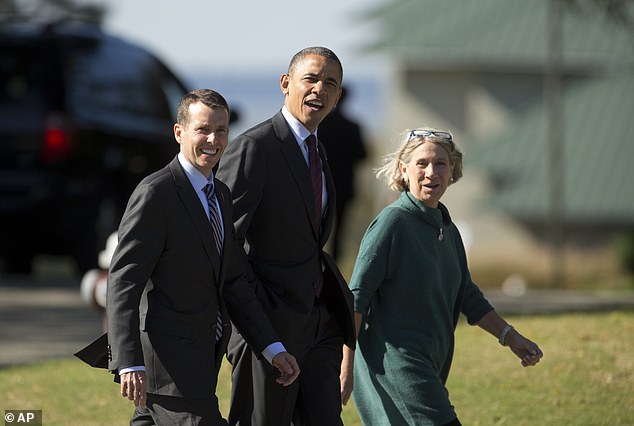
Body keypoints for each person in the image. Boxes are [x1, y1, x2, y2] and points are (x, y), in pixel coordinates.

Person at [340, 129, 544, 425]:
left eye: (440, 164)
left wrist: (511, 337)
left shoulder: (447, 229)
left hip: (431, 363)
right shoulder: (392, 222)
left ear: (452, 171)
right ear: (404, 169)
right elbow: (356, 297)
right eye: (421, 163)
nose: (430, 172)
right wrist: (345, 368)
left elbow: (467, 295)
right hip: (397, 365)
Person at [217, 46, 355, 425]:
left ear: (338, 96)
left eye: (330, 83)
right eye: (310, 78)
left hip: (317, 328)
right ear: (285, 83)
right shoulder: (254, 148)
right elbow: (222, 241)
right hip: (267, 332)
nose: (319, 89)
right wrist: (257, 319)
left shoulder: (318, 150)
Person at [105, 89, 246, 425]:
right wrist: (129, 361)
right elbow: (124, 282)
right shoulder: (155, 193)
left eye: (221, 131)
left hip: (201, 358)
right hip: (166, 365)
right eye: (203, 130)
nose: (213, 140)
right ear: (179, 132)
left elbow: (228, 280)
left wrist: (272, 347)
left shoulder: (221, 194)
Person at [318, 86, 367, 261]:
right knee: (340, 229)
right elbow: (363, 155)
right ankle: (334, 264)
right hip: (345, 184)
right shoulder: (353, 126)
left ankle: (317, 260)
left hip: (321, 184)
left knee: (318, 225)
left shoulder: (321, 125)